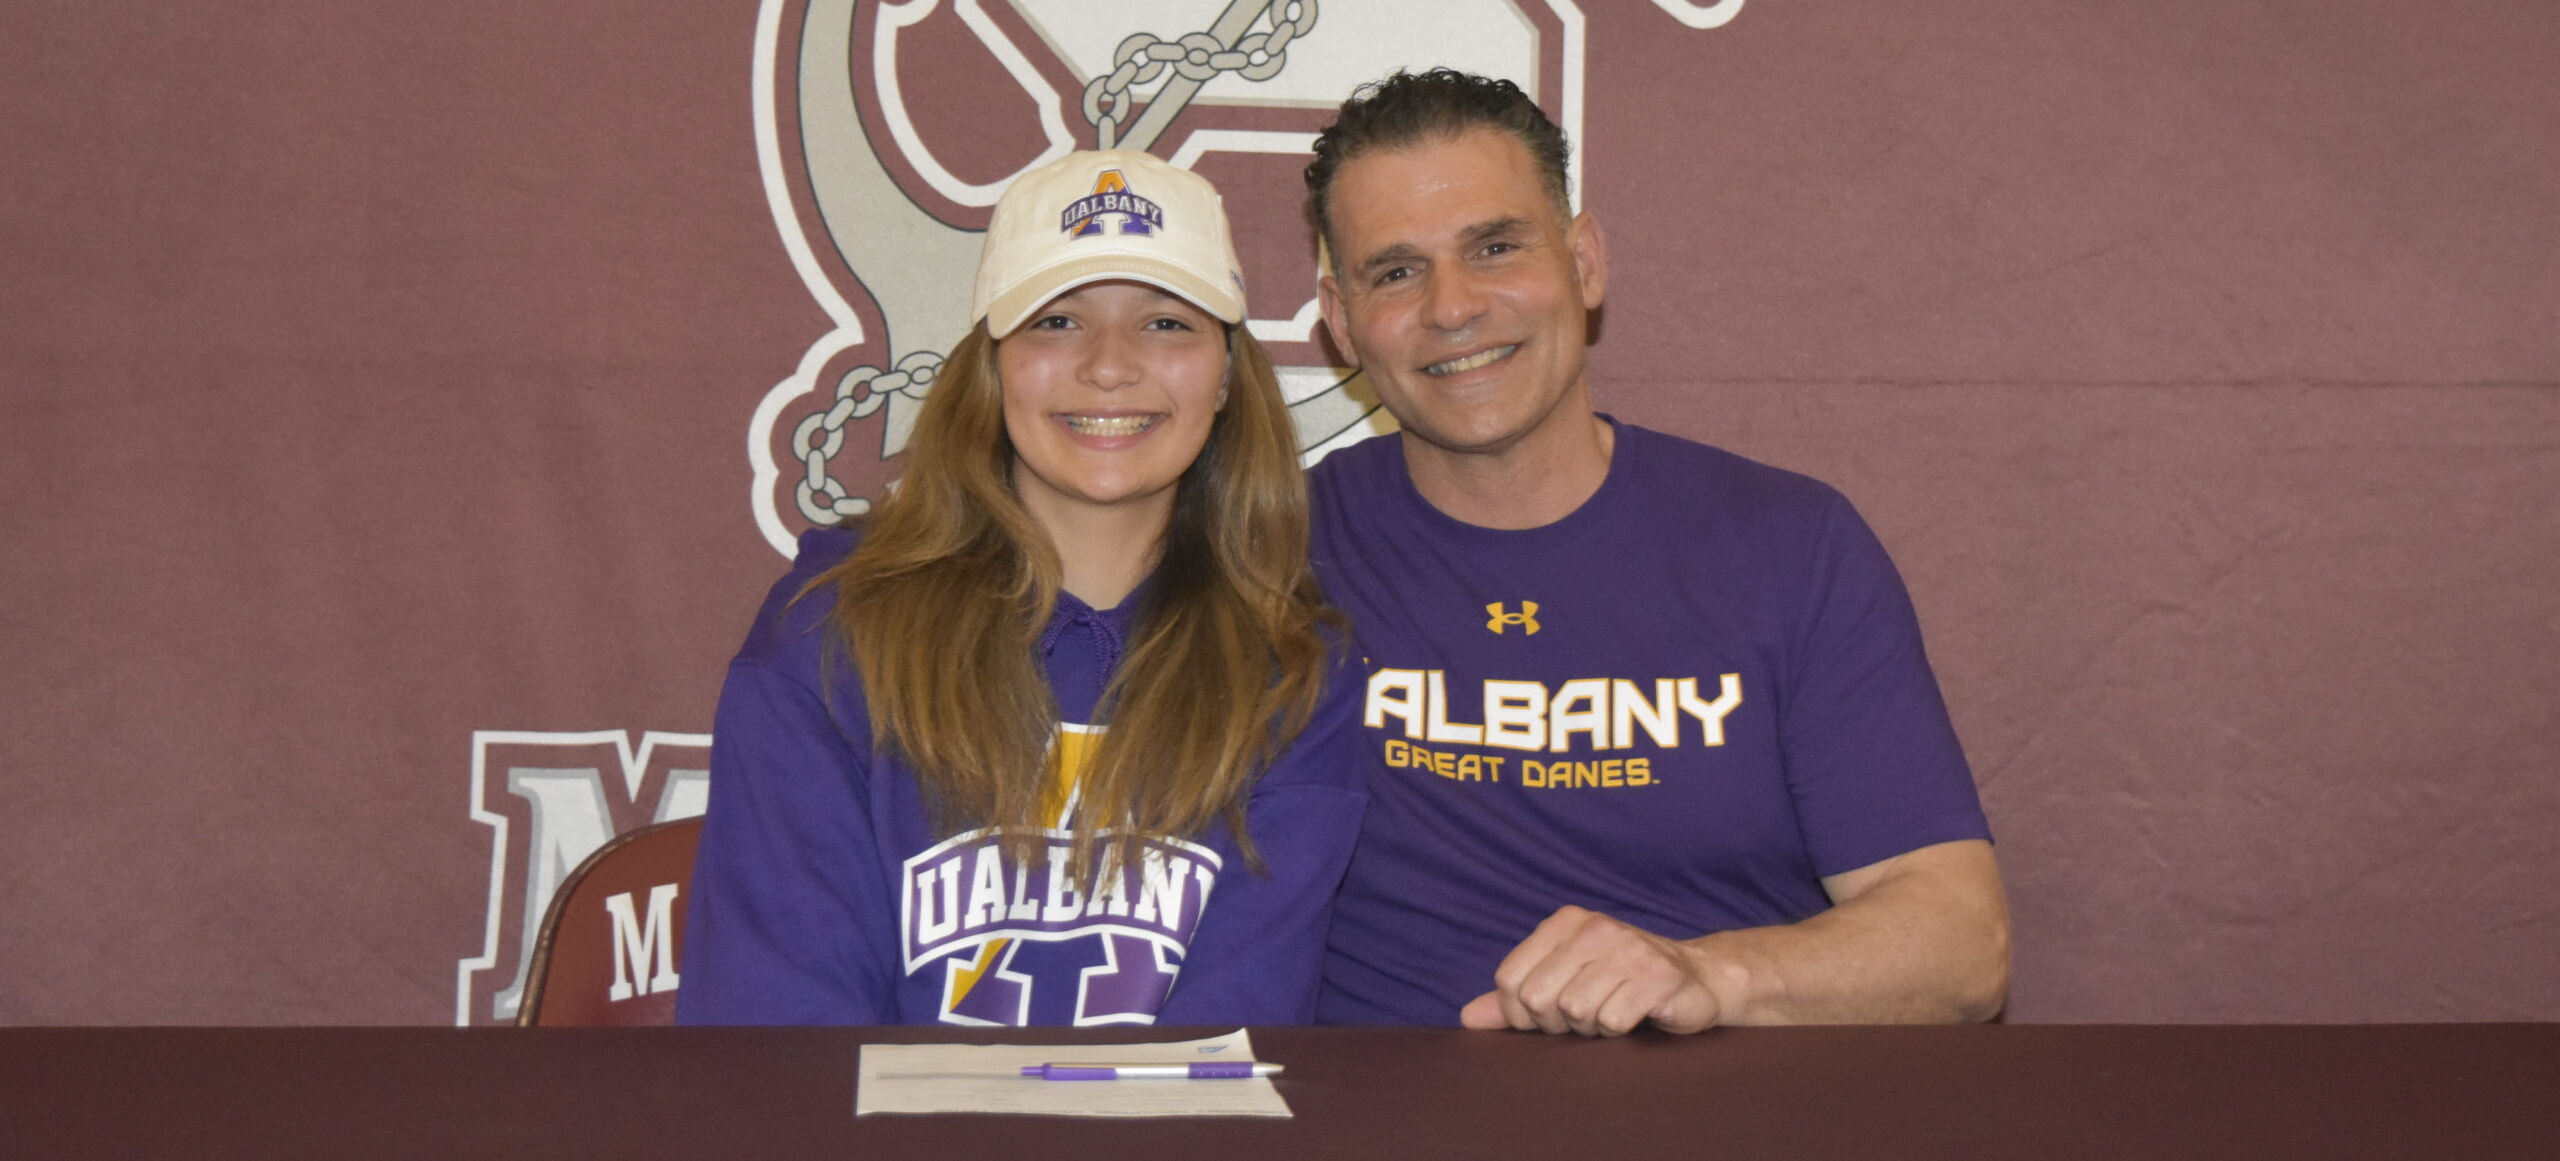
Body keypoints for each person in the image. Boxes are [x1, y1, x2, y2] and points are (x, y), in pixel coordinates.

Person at [1303, 70, 2008, 1035]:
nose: (1453, 306)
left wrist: (1706, 974)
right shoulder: (1265, 553)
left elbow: (1963, 944)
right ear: (1340, 323)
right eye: (1395, 271)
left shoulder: (1785, 542)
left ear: (1584, 262)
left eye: (1496, 247)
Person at [679, 149, 1364, 1026]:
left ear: (1228, 373)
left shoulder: (1297, 668)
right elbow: (778, 1027)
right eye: (1056, 321)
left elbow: (1237, 1034)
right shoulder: (830, 634)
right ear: (991, 364)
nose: (1110, 365)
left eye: (1166, 325)